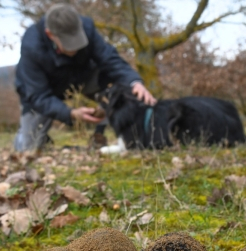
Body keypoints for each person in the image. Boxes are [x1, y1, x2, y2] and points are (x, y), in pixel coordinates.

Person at [13, 3, 156, 152]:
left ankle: (107, 135)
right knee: (28, 148)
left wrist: (134, 82)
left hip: (81, 76)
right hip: (43, 91)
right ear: (50, 35)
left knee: (121, 88)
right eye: (69, 43)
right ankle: (32, 138)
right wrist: (71, 114)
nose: (75, 47)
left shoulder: (87, 28)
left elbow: (110, 59)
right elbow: (38, 96)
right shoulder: (32, 47)